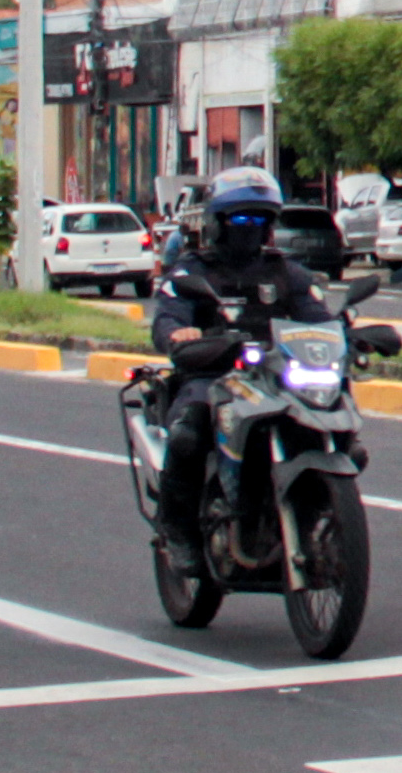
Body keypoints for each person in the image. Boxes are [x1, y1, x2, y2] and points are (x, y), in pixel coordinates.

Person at [142, 165, 332, 541]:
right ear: (217, 223)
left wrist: (347, 335)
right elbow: (168, 317)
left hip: (275, 377)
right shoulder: (192, 271)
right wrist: (179, 333)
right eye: (241, 218)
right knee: (188, 435)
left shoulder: (286, 273)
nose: (250, 227)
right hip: (212, 374)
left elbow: (318, 318)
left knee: (331, 423)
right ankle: (178, 531)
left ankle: (319, 513)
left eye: (260, 219)